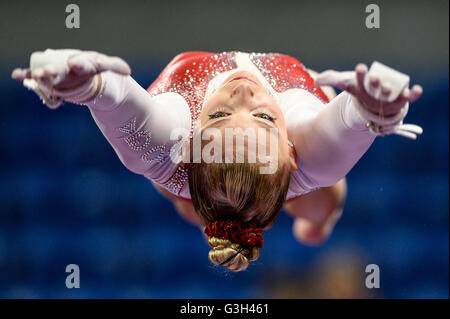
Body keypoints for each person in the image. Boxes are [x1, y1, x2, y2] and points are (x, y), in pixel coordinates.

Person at [12, 49, 423, 272]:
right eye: (264, 118)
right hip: (282, 176)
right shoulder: (311, 154)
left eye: (220, 116)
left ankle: (278, 219)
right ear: (290, 154)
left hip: (187, 178)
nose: (243, 96)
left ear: (193, 143)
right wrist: (372, 109)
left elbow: (116, 97)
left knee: (185, 200)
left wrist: (88, 85)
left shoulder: (171, 144)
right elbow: (350, 121)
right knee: (325, 199)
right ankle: (314, 221)